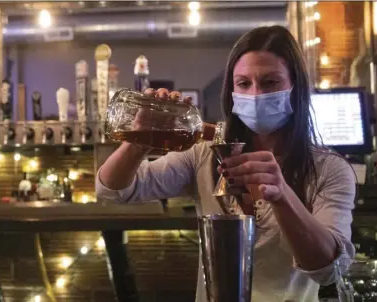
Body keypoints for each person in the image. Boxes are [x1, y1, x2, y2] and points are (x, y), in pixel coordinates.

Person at [96, 25, 356, 302]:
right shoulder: (205, 153)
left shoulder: (328, 168)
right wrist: (139, 140)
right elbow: (112, 191)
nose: (255, 94)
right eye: (244, 83)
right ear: (231, 90)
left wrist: (282, 195)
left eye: (270, 83)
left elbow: (330, 270)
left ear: (295, 87)